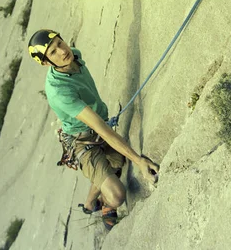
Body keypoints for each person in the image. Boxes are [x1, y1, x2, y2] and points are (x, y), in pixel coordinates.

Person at [28, 29, 159, 230]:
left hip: (98, 126)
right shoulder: (59, 92)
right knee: (117, 195)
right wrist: (139, 161)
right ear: (46, 63)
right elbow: (101, 129)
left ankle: (90, 204)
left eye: (60, 43)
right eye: (53, 52)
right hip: (82, 140)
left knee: (116, 163)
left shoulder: (75, 55)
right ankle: (102, 203)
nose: (63, 51)